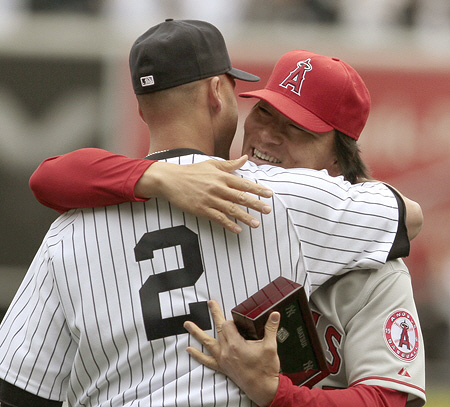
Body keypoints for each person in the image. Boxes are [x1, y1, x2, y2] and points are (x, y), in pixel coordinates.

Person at [0, 22, 417, 407]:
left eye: (298, 129)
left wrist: (154, 177)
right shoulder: (285, 198)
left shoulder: (71, 229)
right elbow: (408, 216)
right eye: (264, 112)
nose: (267, 136)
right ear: (219, 92)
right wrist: (159, 178)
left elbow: (19, 390)